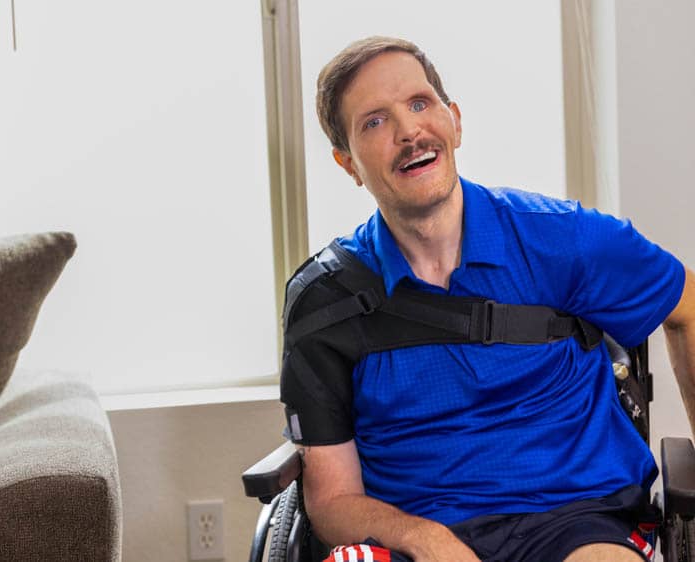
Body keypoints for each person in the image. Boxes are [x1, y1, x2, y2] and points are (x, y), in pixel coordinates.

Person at [282, 36, 695, 562]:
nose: (409, 131)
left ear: (454, 121)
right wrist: (423, 539)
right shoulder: (324, 300)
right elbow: (333, 501)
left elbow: (687, 306)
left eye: (418, 104)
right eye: (375, 122)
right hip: (415, 532)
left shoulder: (562, 239)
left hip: (578, 516)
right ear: (348, 164)